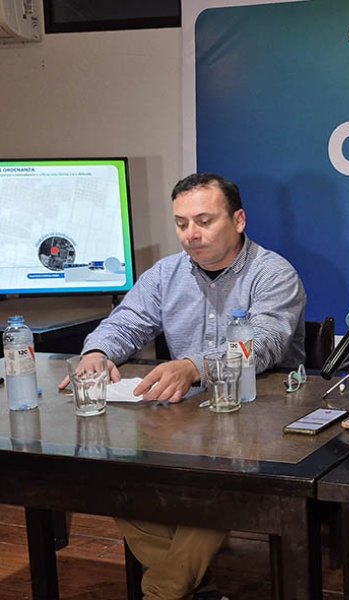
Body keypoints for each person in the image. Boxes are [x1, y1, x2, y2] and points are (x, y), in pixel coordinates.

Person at [62, 173, 307, 600]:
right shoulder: (166, 274)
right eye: (181, 223)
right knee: (111, 479)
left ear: (239, 220)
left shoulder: (272, 273)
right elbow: (126, 322)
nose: (191, 234)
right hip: (185, 424)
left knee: (219, 483)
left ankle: (164, 589)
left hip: (262, 425)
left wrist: (194, 367)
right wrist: (97, 352)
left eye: (204, 221)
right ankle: (187, 585)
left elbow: (263, 344)